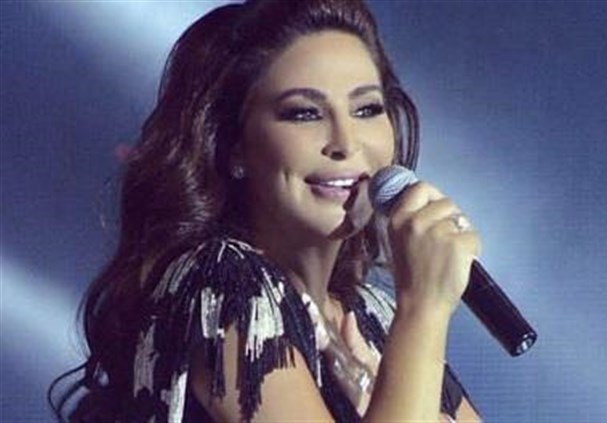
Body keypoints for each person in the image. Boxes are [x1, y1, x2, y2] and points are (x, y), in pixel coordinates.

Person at [49, 0, 482, 421]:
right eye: (304, 113)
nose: (346, 143)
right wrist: (424, 308)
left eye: (366, 109)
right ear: (234, 146)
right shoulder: (224, 286)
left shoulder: (373, 318)